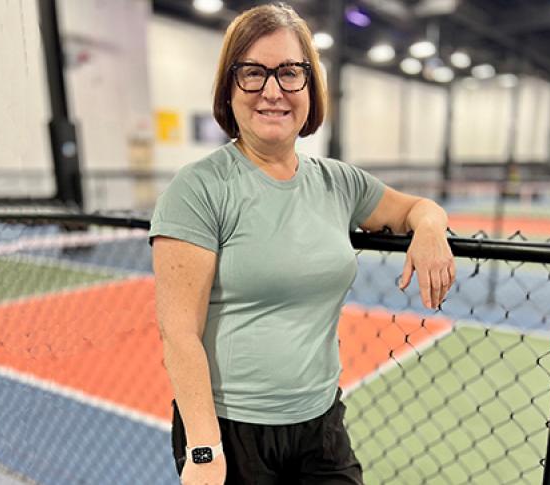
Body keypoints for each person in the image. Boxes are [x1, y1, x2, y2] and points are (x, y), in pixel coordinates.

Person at [149, 3, 455, 484]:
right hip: (231, 430)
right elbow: (179, 333)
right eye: (253, 73)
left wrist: (432, 230)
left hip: (320, 424)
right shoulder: (198, 189)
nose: (273, 91)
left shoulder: (339, 183)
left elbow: (417, 208)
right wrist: (205, 450)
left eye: (290, 73)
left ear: (310, 89)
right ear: (229, 90)